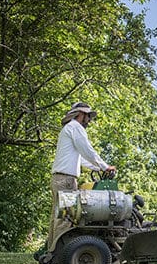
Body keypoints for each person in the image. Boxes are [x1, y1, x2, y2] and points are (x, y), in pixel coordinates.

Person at [47, 102, 116, 250]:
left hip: (58, 179)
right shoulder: (75, 127)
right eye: (88, 116)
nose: (89, 120)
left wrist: (98, 167)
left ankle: (51, 251)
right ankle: (60, 255)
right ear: (80, 114)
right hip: (66, 181)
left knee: (57, 218)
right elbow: (87, 150)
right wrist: (105, 166)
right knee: (66, 218)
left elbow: (83, 158)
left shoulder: (68, 129)